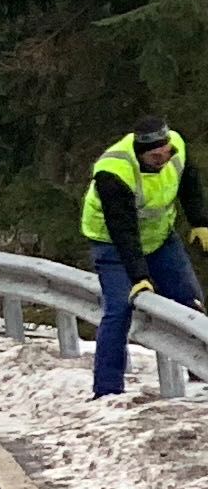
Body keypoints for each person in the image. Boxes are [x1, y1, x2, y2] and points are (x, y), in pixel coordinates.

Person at [81, 115, 199, 399]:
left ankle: (200, 372)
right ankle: (107, 390)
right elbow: (123, 232)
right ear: (141, 152)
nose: (164, 159)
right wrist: (140, 277)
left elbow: (190, 183)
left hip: (160, 239)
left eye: (166, 153)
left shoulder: (175, 148)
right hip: (112, 244)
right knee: (120, 308)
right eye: (156, 156)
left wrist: (200, 221)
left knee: (188, 301)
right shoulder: (114, 171)